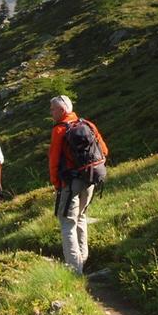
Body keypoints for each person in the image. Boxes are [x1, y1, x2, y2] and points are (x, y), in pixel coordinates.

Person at [48, 95, 108, 274]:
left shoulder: (59, 130)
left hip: (71, 182)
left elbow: (54, 160)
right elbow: (104, 150)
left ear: (62, 110)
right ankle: (84, 260)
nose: (50, 112)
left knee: (67, 223)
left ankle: (74, 270)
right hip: (90, 179)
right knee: (81, 217)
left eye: (52, 109)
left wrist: (57, 183)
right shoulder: (88, 124)